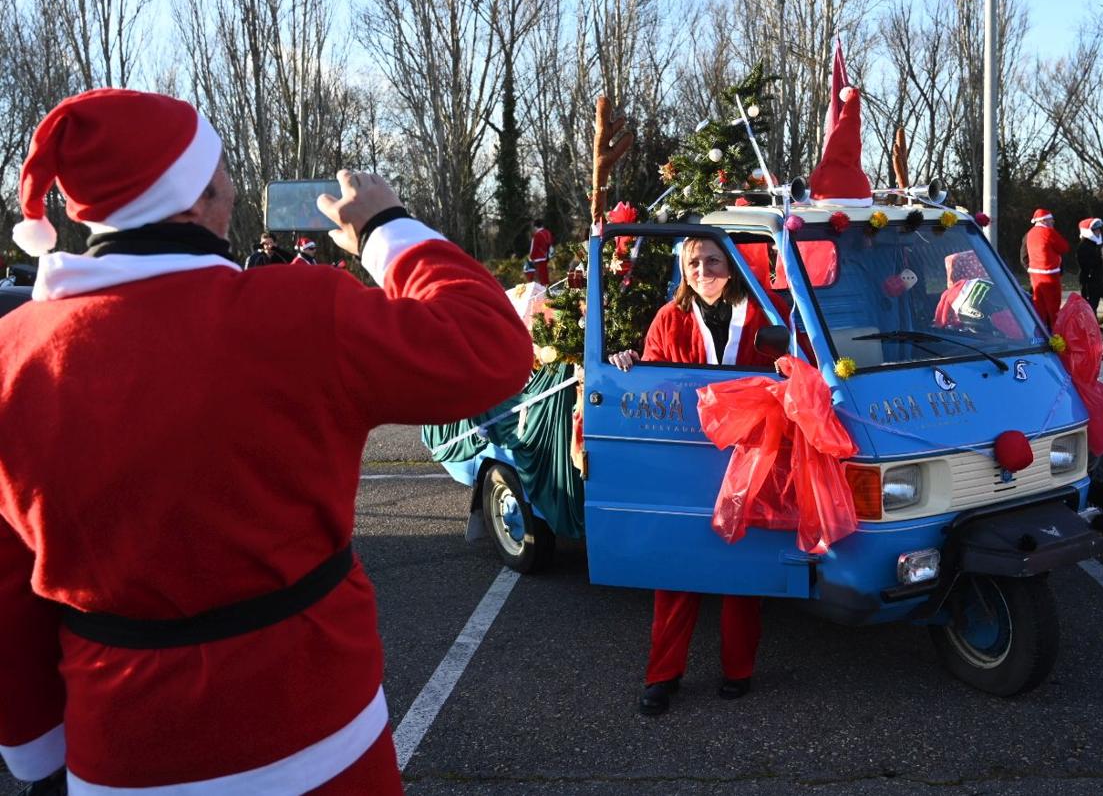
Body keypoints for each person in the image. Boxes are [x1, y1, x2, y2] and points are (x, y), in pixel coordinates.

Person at [0, 88, 532, 794]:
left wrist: (37, 750)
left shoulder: (12, 353)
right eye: (220, 171)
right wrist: (386, 226)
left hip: (121, 749)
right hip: (319, 732)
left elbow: (10, 583)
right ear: (194, 201)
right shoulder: (299, 310)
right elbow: (491, 345)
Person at [608, 237, 788, 716]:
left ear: (731, 265)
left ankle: (738, 669)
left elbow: (793, 369)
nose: (704, 269)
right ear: (683, 269)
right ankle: (662, 675)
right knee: (675, 567)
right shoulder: (670, 317)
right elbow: (654, 381)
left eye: (713, 260)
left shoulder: (763, 316)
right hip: (684, 454)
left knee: (742, 564)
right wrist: (630, 365)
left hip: (747, 452)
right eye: (694, 262)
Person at [1022, 208, 1070, 330]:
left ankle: (1039, 332)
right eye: (1051, 221)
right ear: (1044, 221)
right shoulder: (1048, 232)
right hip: (1049, 273)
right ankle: (1056, 333)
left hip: (1034, 274)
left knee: (1039, 305)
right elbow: (1064, 247)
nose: (1053, 223)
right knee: (1053, 306)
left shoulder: (1030, 233)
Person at [1076, 218, 1103, 314]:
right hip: (1088, 279)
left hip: (1096, 278)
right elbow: (1086, 264)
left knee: (1095, 302)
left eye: (1099, 229)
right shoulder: (1084, 245)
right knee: (1090, 304)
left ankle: (1094, 324)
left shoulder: (1096, 244)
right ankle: (1090, 325)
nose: (1098, 232)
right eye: (1095, 230)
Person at [528, 218, 554, 284]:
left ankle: (544, 288)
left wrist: (531, 257)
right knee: (545, 273)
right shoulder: (547, 232)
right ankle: (547, 286)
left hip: (539, 257)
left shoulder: (537, 235)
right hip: (547, 255)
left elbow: (534, 247)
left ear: (535, 226)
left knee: (541, 275)